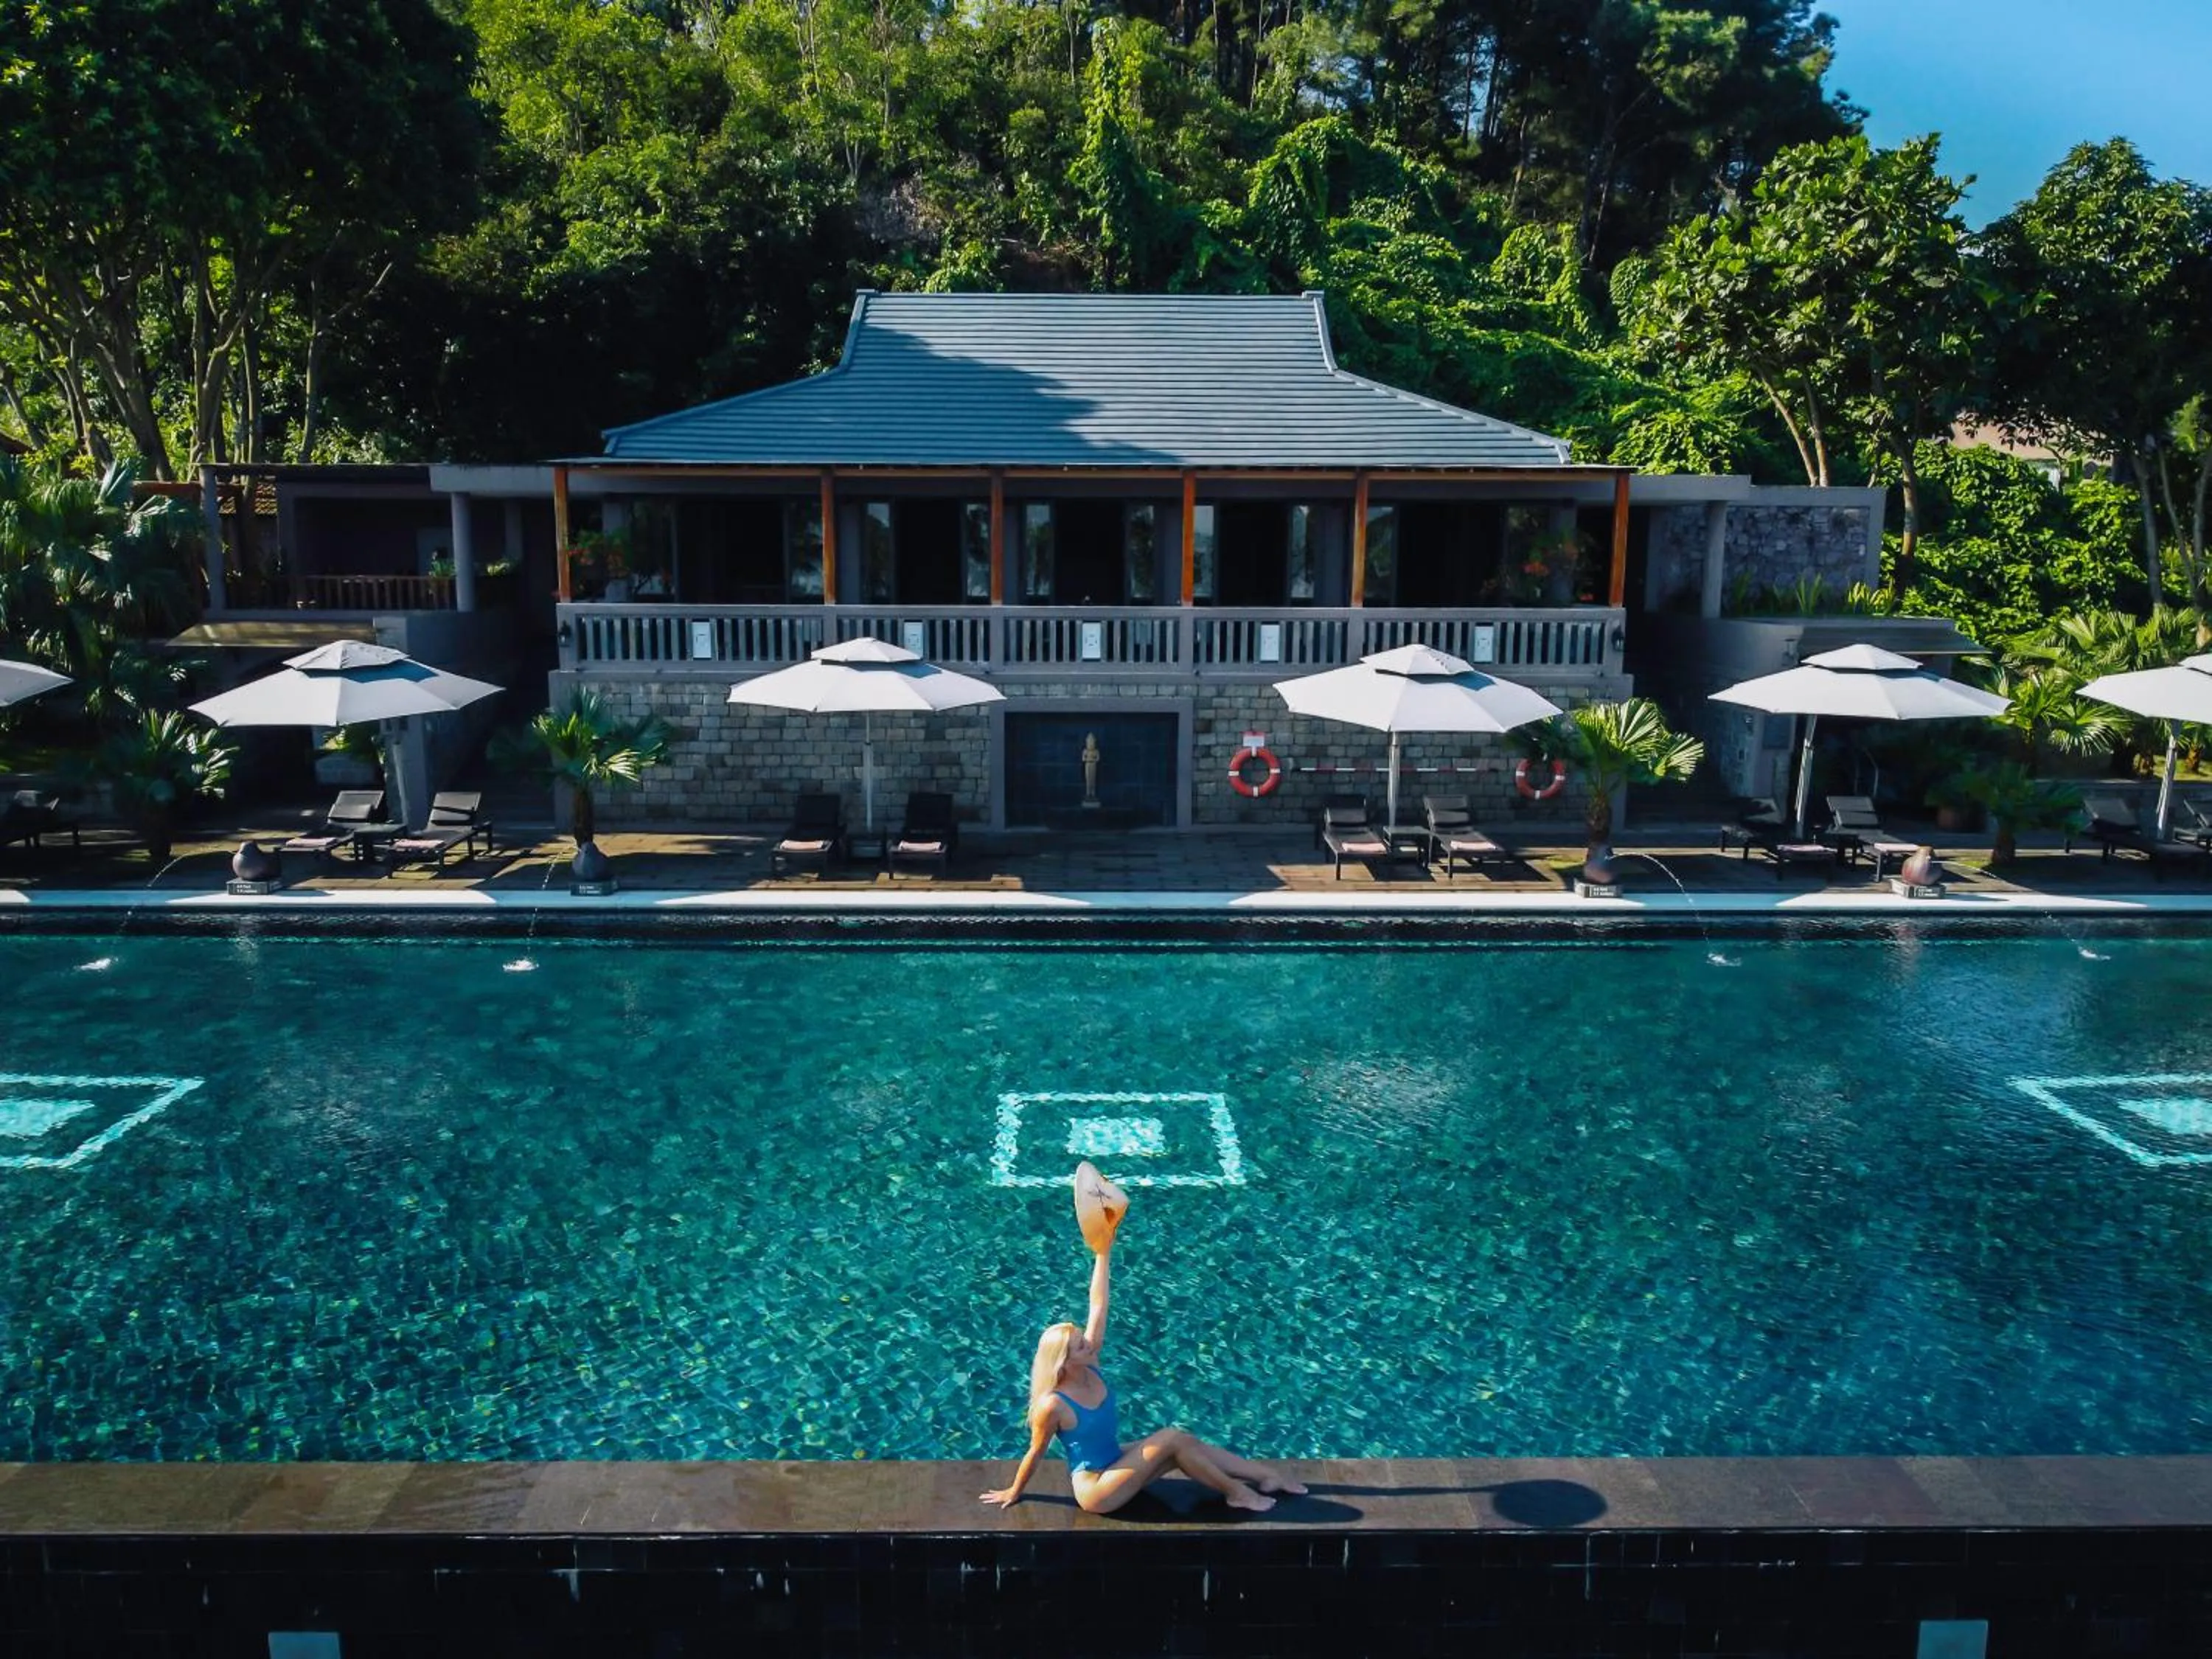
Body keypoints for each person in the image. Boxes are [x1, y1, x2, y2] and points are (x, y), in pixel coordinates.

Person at [978, 1243, 1307, 1514]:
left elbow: (1098, 1304)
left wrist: (1102, 1252)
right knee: (1171, 1437)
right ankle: (1239, 1494)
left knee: (1185, 1443)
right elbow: (1035, 1451)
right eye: (1081, 1345)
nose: (1089, 1343)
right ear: (1065, 1362)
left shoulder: (1090, 1365)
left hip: (1117, 1460)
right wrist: (1014, 1490)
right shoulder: (1053, 1404)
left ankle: (1267, 1476)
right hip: (1097, 1489)